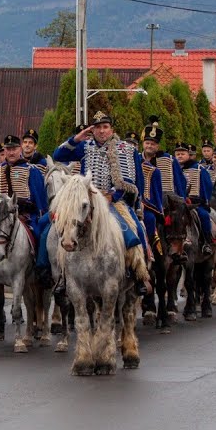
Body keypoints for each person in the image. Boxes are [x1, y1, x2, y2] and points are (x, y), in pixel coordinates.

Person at [51, 111, 154, 295]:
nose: (101, 131)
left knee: (133, 231)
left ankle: (138, 274)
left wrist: (112, 196)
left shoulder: (126, 149)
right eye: (98, 127)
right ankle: (63, 276)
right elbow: (58, 155)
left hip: (114, 202)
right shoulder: (85, 147)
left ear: (111, 129)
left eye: (105, 127)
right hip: (86, 201)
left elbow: (130, 182)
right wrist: (76, 138)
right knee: (55, 229)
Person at [0, 134, 48, 273]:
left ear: (20, 149)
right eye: (8, 149)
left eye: (14, 149)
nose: (11, 152)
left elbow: (39, 198)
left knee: (38, 235)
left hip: (24, 214)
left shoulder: (32, 170)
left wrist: (39, 215)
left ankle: (39, 268)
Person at [138, 116, 187, 249]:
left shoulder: (168, 159)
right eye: (147, 143)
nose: (149, 146)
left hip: (167, 201)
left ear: (157, 146)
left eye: (153, 144)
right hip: (143, 201)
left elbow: (179, 180)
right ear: (143, 144)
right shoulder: (136, 159)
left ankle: (180, 246)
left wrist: (182, 199)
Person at [174, 143, 216, 255]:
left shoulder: (199, 169)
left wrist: (203, 201)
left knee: (204, 216)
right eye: (177, 154)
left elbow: (207, 186)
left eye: (182, 154)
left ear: (188, 155)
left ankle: (206, 242)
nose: (180, 156)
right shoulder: (172, 169)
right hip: (177, 204)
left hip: (196, 203)